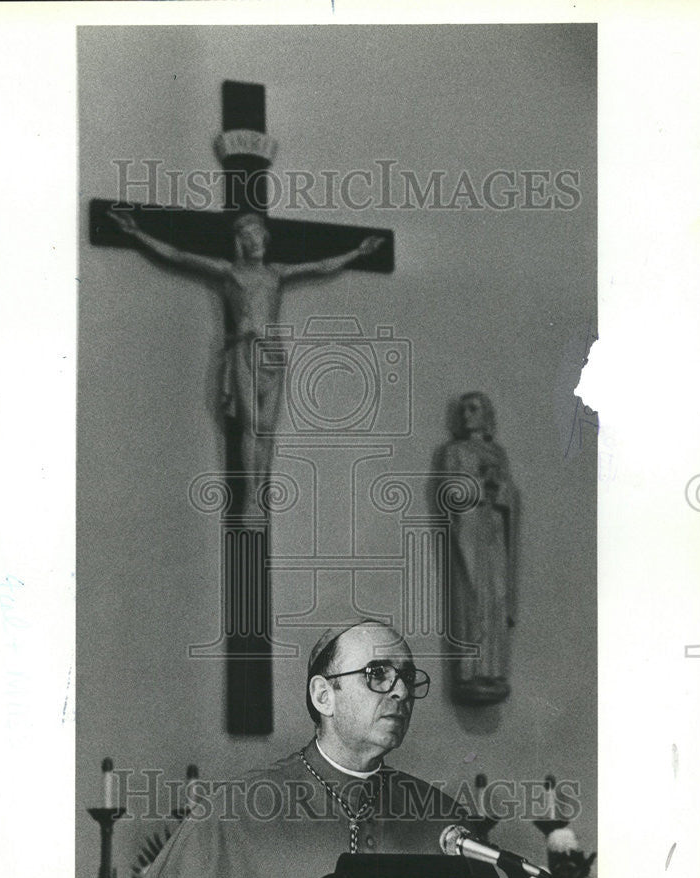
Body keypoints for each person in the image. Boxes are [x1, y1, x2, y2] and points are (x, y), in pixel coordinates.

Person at [93, 621, 493, 878]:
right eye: (378, 674)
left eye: (407, 677)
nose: (402, 692)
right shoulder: (230, 816)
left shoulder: (441, 820)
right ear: (323, 696)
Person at [107, 209, 384, 508]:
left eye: (258, 234)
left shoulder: (276, 272)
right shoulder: (231, 273)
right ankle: (251, 497)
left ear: (266, 237)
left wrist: (357, 251)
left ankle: (263, 488)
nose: (255, 241)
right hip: (246, 351)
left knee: (267, 426)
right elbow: (179, 254)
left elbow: (320, 265)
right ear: (240, 241)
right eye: (248, 236)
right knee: (251, 425)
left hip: (274, 353)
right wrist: (137, 234)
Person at [439, 393, 519, 703]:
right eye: (462, 410)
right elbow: (451, 492)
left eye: (473, 409)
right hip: (469, 532)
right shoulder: (454, 452)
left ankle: (493, 669)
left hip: (493, 532)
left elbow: (510, 496)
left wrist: (498, 488)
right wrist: (477, 483)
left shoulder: (497, 453)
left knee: (496, 598)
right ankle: (469, 671)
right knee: (471, 598)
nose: (466, 415)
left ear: (486, 415)